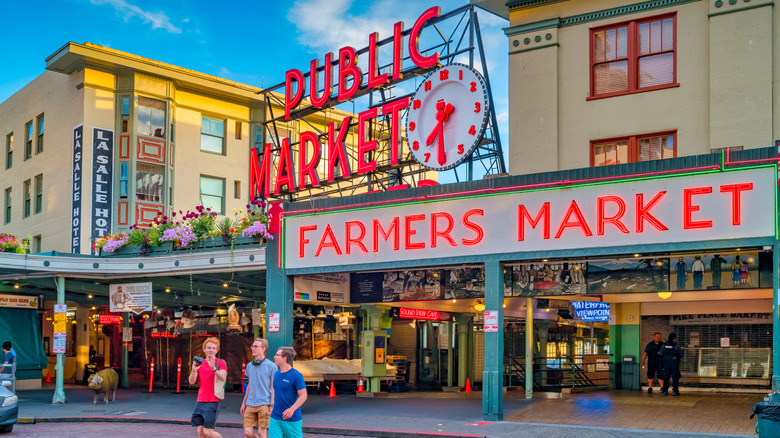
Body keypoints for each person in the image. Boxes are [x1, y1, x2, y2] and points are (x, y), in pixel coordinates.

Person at [189, 337, 227, 438]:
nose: (211, 350)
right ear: (204, 349)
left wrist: (213, 368)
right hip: (200, 400)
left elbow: (223, 377)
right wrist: (194, 370)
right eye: (209, 348)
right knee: (200, 431)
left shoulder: (220, 362)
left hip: (213, 400)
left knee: (208, 432)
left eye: (214, 348)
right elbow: (192, 381)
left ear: (217, 350)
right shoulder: (200, 363)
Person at [241, 338, 277, 438]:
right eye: (252, 346)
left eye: (256, 346)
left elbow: (274, 387)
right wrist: (244, 403)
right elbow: (249, 385)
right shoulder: (249, 366)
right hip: (250, 403)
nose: (253, 348)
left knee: (262, 432)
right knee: (248, 432)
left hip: (264, 403)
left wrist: (272, 405)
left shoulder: (271, 366)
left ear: (263, 349)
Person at [269, 346, 307, 438]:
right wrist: (271, 406)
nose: (274, 357)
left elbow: (303, 395)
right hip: (275, 417)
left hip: (292, 418)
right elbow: (274, 390)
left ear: (284, 358)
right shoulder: (276, 374)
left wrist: (292, 409)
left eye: (277, 355)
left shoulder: (296, 375)